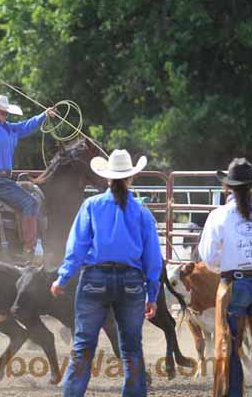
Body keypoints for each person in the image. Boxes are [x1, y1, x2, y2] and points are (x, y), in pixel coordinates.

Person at [50, 149, 162, 396]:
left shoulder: (92, 205)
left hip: (94, 280)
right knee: (132, 347)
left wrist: (63, 277)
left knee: (83, 346)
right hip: (131, 282)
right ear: (131, 178)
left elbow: (77, 246)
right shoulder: (142, 212)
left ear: (107, 178)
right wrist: (152, 294)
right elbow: (153, 257)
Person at [0, 63, 56, 259]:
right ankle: (30, 249)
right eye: (1, 112)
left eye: (5, 112)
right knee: (30, 203)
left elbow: (26, 126)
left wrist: (44, 115)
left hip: (3, 180)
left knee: (30, 200)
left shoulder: (8, 128)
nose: (4, 115)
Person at [198, 158, 252, 397]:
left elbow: (208, 256)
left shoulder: (219, 216)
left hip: (233, 285)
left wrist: (223, 268)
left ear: (228, 187)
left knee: (229, 347)